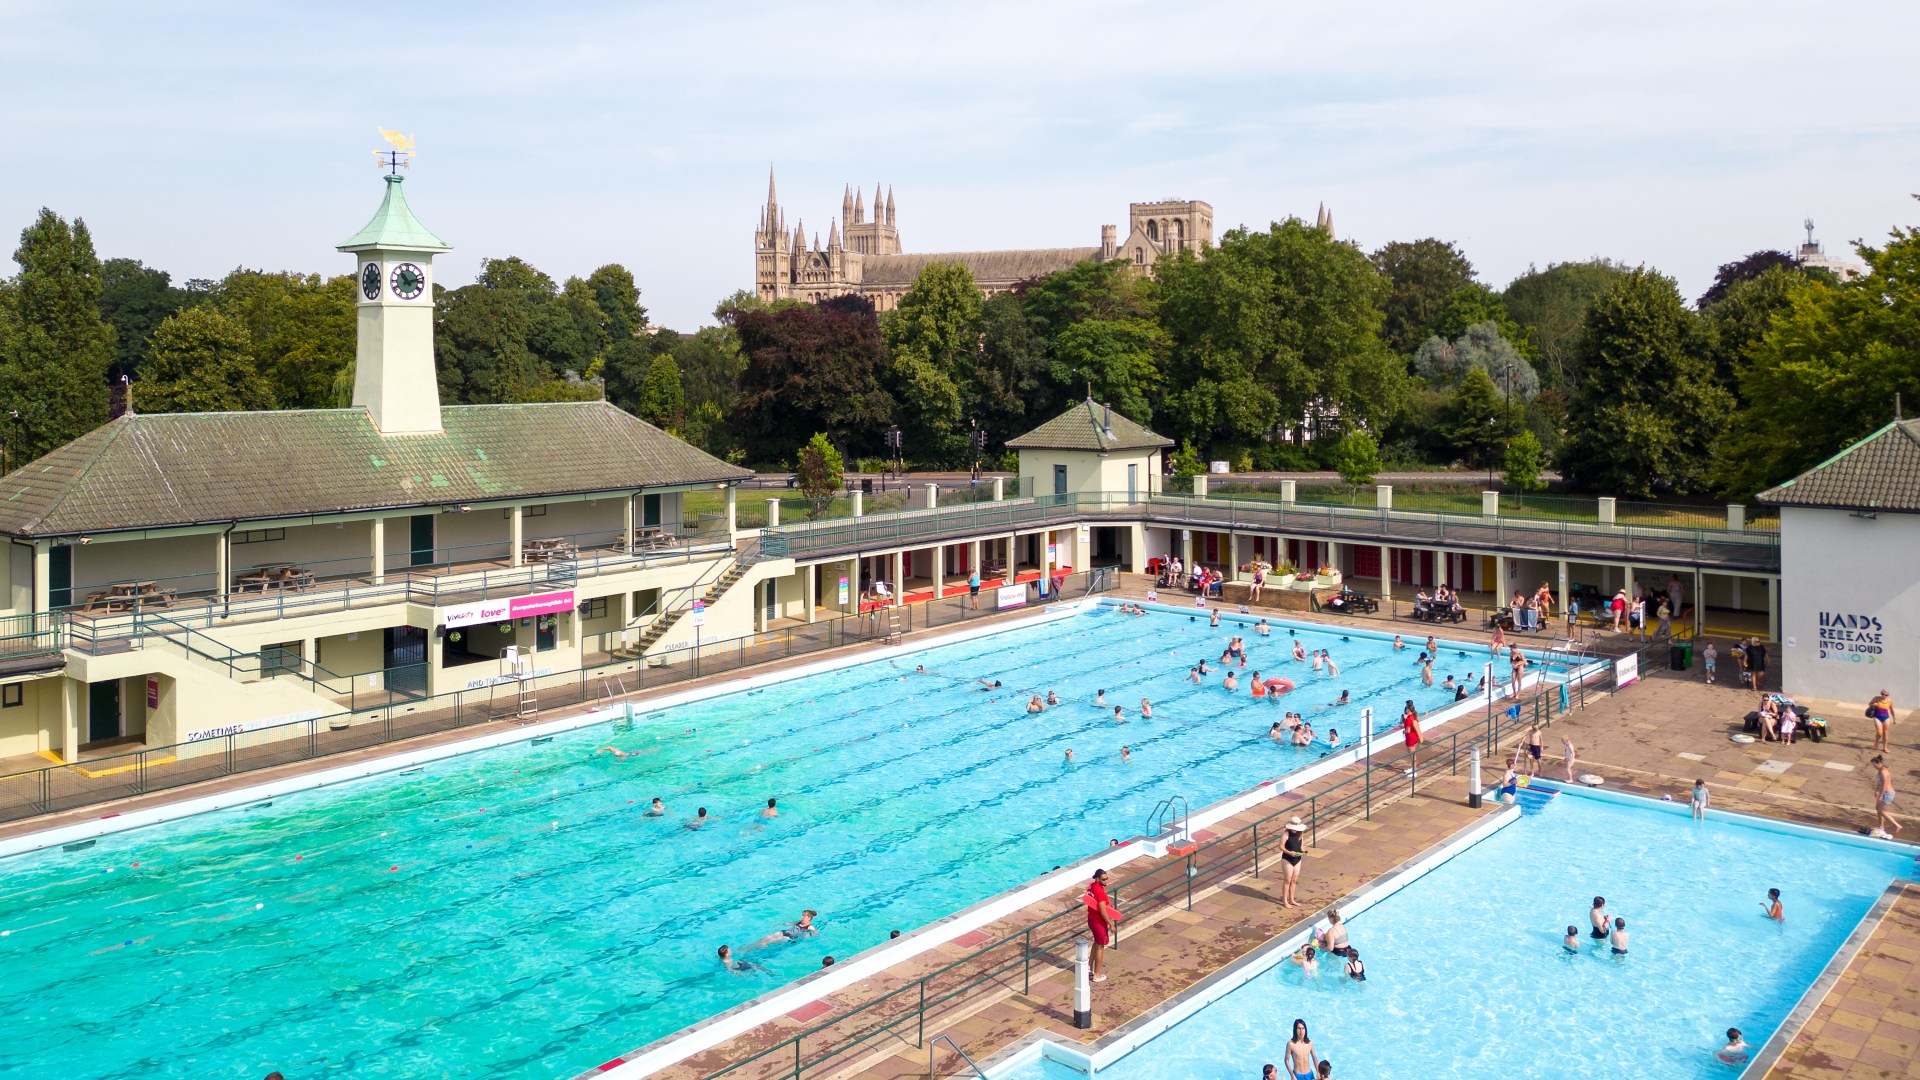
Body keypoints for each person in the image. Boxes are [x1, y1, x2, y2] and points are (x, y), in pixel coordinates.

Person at [1084, 868, 1120, 983]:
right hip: (1099, 923)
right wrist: (1111, 924)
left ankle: (1088, 967)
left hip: (1091, 920)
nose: (1106, 881)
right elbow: (1102, 910)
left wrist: (1108, 903)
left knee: (1096, 942)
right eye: (1104, 879)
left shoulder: (1093, 886)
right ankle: (1096, 974)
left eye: (1107, 878)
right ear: (1097, 878)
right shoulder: (1099, 892)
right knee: (1100, 946)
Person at [1870, 754, 1902, 839]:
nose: (1874, 766)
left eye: (1875, 765)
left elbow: (1884, 784)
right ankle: (1881, 827)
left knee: (1881, 810)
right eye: (1873, 765)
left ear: (1879, 763)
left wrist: (1881, 794)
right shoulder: (1880, 770)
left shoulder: (1884, 772)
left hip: (1888, 793)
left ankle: (1897, 825)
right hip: (1884, 793)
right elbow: (1879, 782)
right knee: (1878, 809)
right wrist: (1877, 791)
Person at [752, 910, 819, 948]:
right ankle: (751, 946)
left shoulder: (810, 927)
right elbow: (790, 923)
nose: (802, 917)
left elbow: (816, 933)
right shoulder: (799, 921)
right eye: (802, 915)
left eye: (804, 916)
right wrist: (781, 924)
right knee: (767, 937)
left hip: (790, 938)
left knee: (771, 942)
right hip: (784, 932)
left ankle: (756, 948)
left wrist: (809, 935)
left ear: (809, 918)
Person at [1281, 815, 1307, 907]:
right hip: (1287, 859)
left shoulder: (1300, 834)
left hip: (1297, 859)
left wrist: (1303, 850)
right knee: (1287, 880)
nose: (1295, 830)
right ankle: (1285, 901)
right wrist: (1289, 852)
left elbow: (1301, 846)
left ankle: (1291, 899)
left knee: (1294, 880)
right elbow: (1281, 847)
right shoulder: (1286, 834)